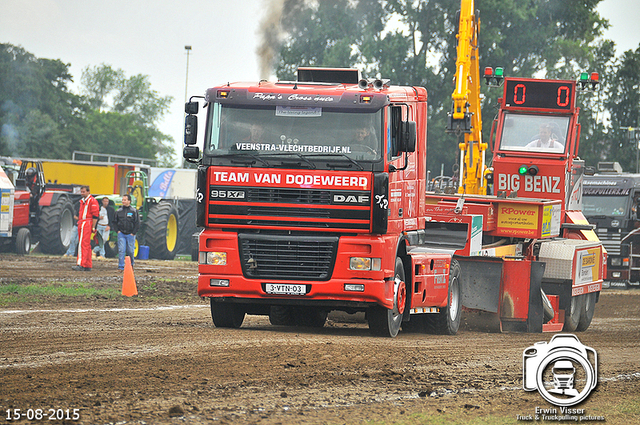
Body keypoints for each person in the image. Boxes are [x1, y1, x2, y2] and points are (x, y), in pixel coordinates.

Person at [72, 186, 99, 271]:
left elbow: (95, 215)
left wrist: (93, 226)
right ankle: (87, 264)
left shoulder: (92, 201)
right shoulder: (83, 201)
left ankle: (81, 263)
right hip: (82, 222)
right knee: (86, 244)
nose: (82, 193)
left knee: (82, 244)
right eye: (81, 192)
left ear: (88, 192)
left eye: (83, 192)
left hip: (86, 223)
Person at [114, 194, 140, 271]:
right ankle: (121, 266)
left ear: (129, 201)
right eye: (123, 200)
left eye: (125, 200)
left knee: (130, 251)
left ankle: (131, 265)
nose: (123, 201)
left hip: (130, 234)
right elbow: (115, 222)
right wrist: (117, 231)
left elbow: (137, 223)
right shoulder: (118, 211)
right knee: (121, 250)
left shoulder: (134, 211)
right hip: (121, 233)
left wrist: (133, 233)